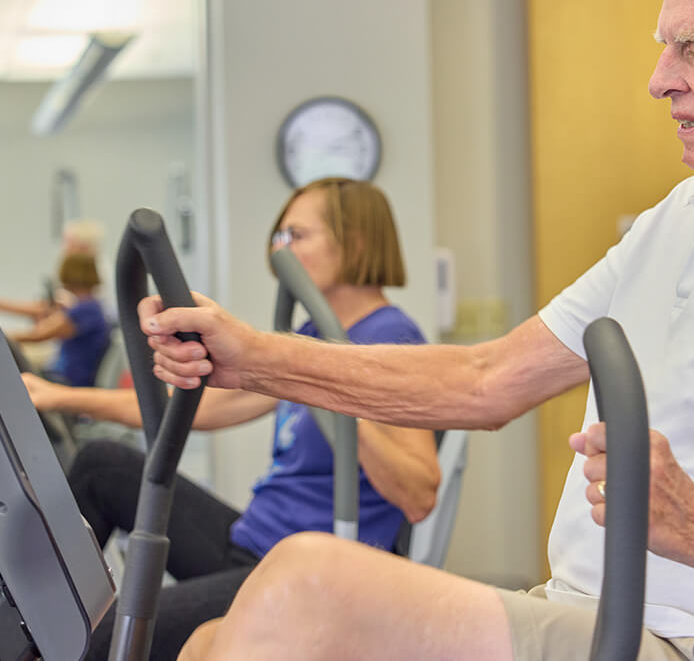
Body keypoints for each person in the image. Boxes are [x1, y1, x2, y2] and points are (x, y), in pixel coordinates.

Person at [142, 0, 694, 661]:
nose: (659, 81)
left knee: (306, 584)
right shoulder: (680, 219)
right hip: (584, 609)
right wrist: (253, 358)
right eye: (664, 48)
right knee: (212, 639)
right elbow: (487, 380)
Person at [26, 177, 440, 661]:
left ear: (358, 240)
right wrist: (60, 396)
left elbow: (418, 493)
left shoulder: (391, 336)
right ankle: (30, 615)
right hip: (252, 541)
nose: (279, 251)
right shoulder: (314, 334)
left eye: (296, 237)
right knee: (100, 466)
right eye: (278, 237)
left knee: (98, 641)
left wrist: (335, 391)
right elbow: (202, 406)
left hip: (305, 574)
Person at [3, 252, 110, 387]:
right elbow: (40, 310)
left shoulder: (85, 310)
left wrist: (6, 337)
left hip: (67, 381)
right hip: (63, 376)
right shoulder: (88, 306)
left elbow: (37, 335)